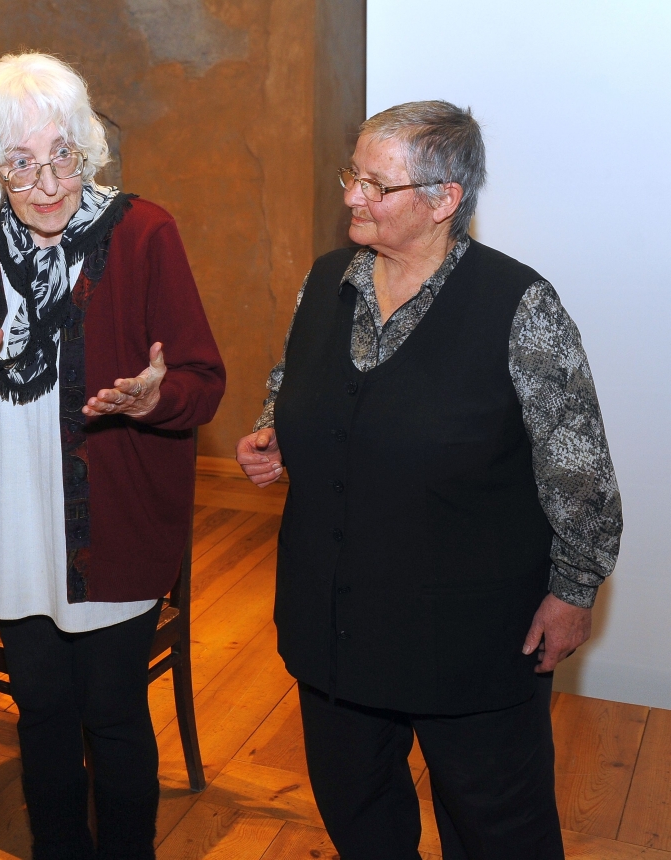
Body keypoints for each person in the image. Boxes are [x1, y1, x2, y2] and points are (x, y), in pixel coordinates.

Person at [236, 100, 622, 860]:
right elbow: (293, 386)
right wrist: (274, 436)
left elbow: (580, 472)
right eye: (352, 176)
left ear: (445, 200)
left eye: (377, 186)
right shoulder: (327, 281)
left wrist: (574, 591)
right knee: (359, 814)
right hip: (336, 626)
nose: (352, 196)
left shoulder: (520, 305)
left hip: (470, 640)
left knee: (498, 832)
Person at [0, 52, 224, 860]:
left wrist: (153, 398)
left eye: (63, 155)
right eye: (21, 163)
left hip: (113, 526)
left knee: (112, 715)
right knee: (43, 714)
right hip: (16, 524)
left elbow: (202, 382)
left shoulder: (145, 233)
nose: (49, 183)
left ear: (87, 148)